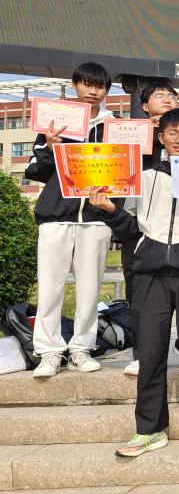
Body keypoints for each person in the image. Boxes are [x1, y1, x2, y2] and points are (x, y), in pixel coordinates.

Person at [89, 108, 179, 457]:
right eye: (173, 133)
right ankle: (150, 430)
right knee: (150, 353)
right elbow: (131, 229)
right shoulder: (144, 176)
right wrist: (110, 211)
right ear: (161, 137)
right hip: (150, 275)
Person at [27, 61, 118, 379]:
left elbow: (125, 171)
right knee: (50, 289)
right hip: (56, 218)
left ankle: (82, 348)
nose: (93, 91)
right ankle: (48, 352)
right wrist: (51, 147)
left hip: (95, 219)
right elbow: (35, 171)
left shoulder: (114, 126)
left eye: (100, 86)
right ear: (75, 86)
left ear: (106, 91)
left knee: (90, 290)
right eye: (87, 84)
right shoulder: (54, 122)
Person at [121, 79, 179, 377]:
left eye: (171, 95)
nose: (167, 99)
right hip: (139, 227)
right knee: (139, 292)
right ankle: (142, 353)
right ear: (145, 106)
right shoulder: (131, 137)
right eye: (160, 96)